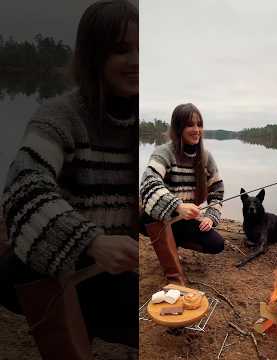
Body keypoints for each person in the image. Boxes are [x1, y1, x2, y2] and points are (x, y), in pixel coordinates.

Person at [0, 0, 139, 354]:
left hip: (120, 268)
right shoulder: (59, 117)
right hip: (62, 264)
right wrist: (91, 242)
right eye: (122, 50)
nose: (137, 62)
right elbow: (22, 191)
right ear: (94, 56)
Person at [140, 103, 225, 256]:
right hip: (159, 215)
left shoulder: (206, 157)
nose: (196, 130)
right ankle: (167, 242)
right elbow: (149, 184)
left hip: (184, 219)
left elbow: (217, 190)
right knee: (140, 220)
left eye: (199, 124)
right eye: (190, 125)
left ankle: (172, 240)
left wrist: (210, 217)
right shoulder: (164, 152)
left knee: (216, 244)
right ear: (178, 128)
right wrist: (177, 206)